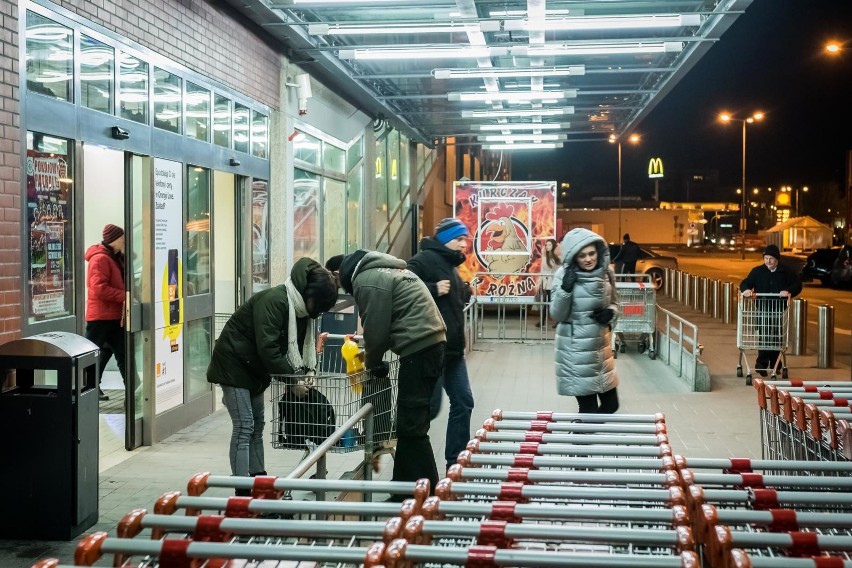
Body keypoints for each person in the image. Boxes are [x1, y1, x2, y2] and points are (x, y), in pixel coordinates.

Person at [207, 258, 338, 491]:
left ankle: (258, 478)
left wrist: (305, 372)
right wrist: (293, 380)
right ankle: (242, 487)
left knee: (257, 424)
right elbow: (268, 348)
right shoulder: (275, 301)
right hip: (234, 364)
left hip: (255, 369)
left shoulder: (300, 311)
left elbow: (293, 350)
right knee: (245, 425)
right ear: (308, 295)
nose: (317, 313)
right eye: (317, 305)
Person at [338, 249, 446, 497]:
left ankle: (422, 493)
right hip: (429, 344)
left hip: (419, 348)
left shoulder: (367, 280)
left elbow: (375, 330)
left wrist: (372, 363)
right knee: (410, 425)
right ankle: (408, 490)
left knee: (411, 426)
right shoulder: (392, 271)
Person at [407, 218, 475, 474]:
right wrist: (433, 288)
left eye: (464, 239)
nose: (463, 244)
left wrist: (464, 292)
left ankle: (455, 462)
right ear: (446, 239)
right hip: (433, 349)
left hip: (454, 351)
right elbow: (404, 288)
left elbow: (451, 303)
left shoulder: (451, 265)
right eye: (459, 239)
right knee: (429, 408)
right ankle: (412, 461)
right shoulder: (423, 260)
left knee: (464, 402)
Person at [550, 228, 620, 414]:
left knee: (611, 405)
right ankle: (581, 441)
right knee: (588, 409)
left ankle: (587, 437)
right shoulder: (562, 275)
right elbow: (557, 315)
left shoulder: (606, 273)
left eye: (591, 253)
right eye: (582, 255)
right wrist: (565, 289)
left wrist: (610, 313)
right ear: (573, 256)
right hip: (576, 352)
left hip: (601, 351)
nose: (588, 259)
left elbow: (615, 303)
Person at [739, 244, 802, 377]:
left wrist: (788, 291)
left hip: (778, 308)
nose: (768, 261)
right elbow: (746, 283)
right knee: (765, 334)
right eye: (766, 258)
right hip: (762, 307)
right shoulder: (757, 271)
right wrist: (746, 290)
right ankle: (762, 363)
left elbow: (797, 284)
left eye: (771, 259)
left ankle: (775, 363)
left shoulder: (786, 271)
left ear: (777, 259)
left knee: (775, 336)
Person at [85, 224, 127, 402]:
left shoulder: (115, 257)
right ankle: (87, 389)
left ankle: (133, 389)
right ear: (115, 240)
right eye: (123, 238)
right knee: (93, 354)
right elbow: (99, 289)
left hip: (114, 316)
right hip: (101, 317)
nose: (125, 241)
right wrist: (124, 296)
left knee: (121, 353)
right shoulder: (100, 259)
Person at [535, 238, 562, 328]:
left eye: (549, 245)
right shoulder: (545, 256)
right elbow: (542, 270)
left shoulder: (557, 257)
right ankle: (542, 321)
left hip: (554, 283)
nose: (547, 246)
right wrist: (541, 282)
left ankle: (557, 321)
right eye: (546, 245)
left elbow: (554, 268)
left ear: (553, 246)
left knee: (553, 303)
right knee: (545, 303)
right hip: (546, 283)